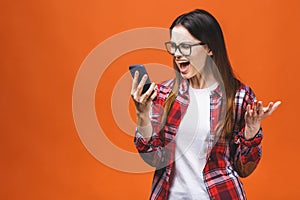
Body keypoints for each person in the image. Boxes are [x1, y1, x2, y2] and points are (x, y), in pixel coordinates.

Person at [130, 9, 281, 200]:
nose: (177, 54)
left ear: (209, 48)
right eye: (173, 46)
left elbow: (245, 169)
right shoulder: (165, 94)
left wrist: (251, 131)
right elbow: (154, 159)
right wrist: (142, 115)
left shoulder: (238, 97)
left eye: (185, 46)